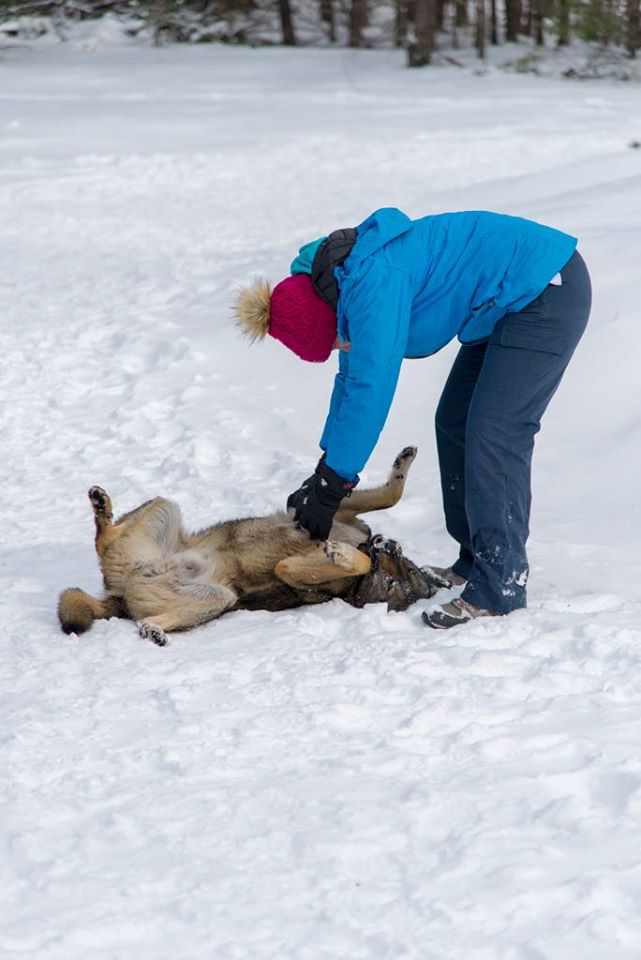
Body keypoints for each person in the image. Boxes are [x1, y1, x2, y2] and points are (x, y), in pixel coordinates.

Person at [234, 208, 591, 629]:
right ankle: (472, 561)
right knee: (454, 422)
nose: (339, 349)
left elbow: (372, 385)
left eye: (333, 343)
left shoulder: (373, 283)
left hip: (544, 288)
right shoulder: (344, 283)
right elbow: (351, 383)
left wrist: (335, 482)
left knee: (495, 433)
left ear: (325, 319)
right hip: (505, 301)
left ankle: (500, 587)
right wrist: (326, 473)